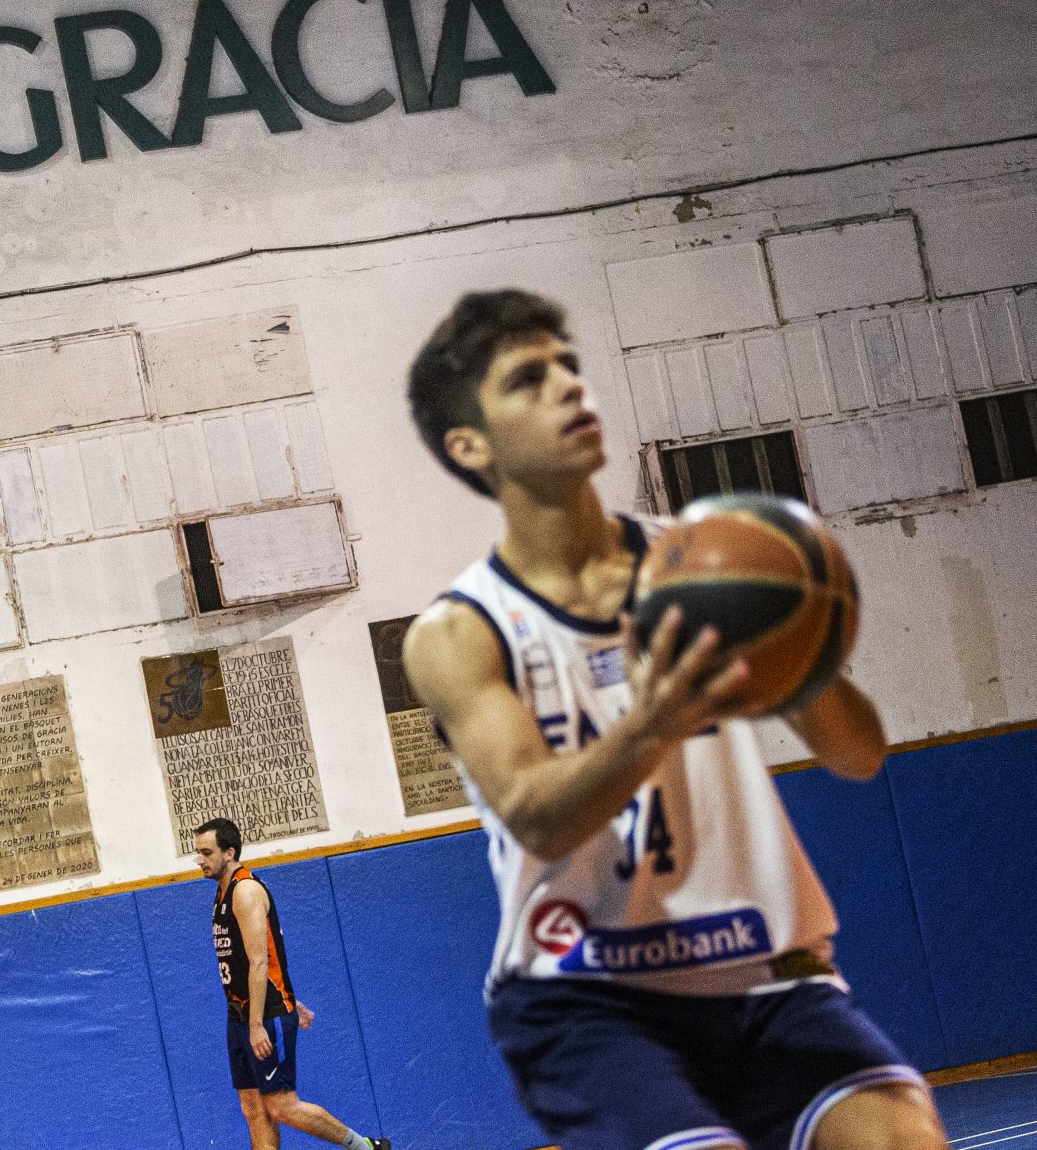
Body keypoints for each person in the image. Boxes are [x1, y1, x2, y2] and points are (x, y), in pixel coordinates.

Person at [398, 289, 948, 1150]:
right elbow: (538, 815)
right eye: (528, 380)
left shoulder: (713, 562)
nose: (570, 389)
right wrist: (653, 721)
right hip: (587, 998)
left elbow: (859, 754)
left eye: (571, 368)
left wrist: (802, 649)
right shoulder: (460, 633)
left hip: (769, 977)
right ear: (471, 444)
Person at [194, 818, 390, 1150]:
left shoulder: (246, 891)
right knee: (254, 1110)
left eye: (207, 852)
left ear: (229, 852)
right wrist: (286, 1003)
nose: (200, 859)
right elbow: (262, 959)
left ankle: (364, 1147)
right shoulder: (222, 893)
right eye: (197, 852)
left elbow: (259, 961)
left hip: (262, 1017)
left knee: (282, 1107)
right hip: (240, 1016)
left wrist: (261, 1022)